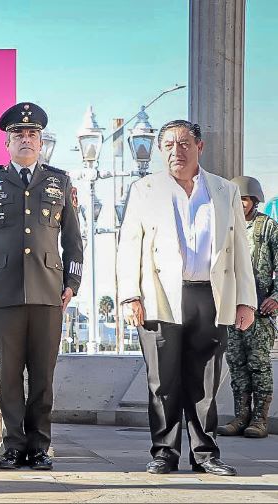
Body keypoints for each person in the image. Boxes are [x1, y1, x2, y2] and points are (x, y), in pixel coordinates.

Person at [117, 120, 257, 476]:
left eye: (183, 144)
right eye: (167, 145)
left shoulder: (223, 190)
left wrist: (246, 300)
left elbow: (239, 248)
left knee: (206, 380)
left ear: (199, 147)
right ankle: (165, 452)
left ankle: (205, 453)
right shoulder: (144, 188)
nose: (175, 151)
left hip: (211, 295)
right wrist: (131, 295)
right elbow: (129, 245)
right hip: (160, 295)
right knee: (162, 380)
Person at [0, 102, 83, 470]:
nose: (26, 140)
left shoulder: (59, 181)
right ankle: (13, 445)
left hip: (49, 292)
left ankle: (40, 447)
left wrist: (73, 282)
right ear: (8, 142)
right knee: (10, 375)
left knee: (43, 376)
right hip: (3, 291)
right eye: (19, 134)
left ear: (41, 141)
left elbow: (73, 240)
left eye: (32, 134)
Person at [217, 176, 278, 438]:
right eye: (237, 199)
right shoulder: (226, 226)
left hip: (260, 310)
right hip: (232, 307)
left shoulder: (267, 228)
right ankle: (241, 416)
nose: (241, 204)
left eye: (245, 199)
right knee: (237, 364)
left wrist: (276, 296)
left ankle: (259, 419)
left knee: (259, 364)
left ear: (254, 200)